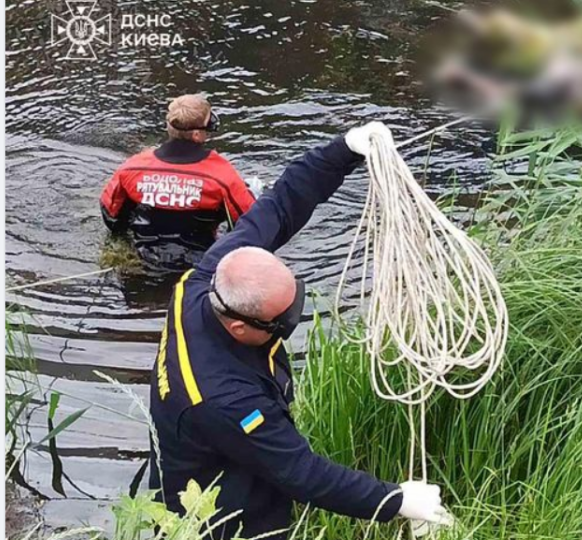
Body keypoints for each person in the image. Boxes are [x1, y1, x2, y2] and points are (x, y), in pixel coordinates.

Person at [148, 122, 451, 539]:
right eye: (282, 323)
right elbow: (302, 473)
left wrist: (343, 150)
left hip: (203, 445)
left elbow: (279, 206)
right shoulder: (225, 400)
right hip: (217, 509)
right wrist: (398, 500)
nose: (290, 324)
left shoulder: (207, 278)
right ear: (239, 325)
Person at [100, 94, 257, 271]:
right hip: (201, 265)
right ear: (197, 135)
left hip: (142, 257)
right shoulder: (222, 175)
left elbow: (111, 215)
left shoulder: (132, 168)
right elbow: (248, 223)